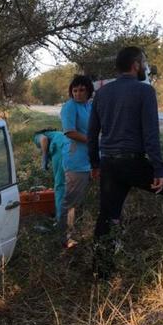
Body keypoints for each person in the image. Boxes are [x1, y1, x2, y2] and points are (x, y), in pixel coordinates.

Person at [88, 46, 163, 277]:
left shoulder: (102, 93)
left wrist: (95, 164)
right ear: (136, 64)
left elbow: (92, 133)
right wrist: (159, 168)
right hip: (133, 164)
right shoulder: (144, 91)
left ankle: (101, 272)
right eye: (145, 63)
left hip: (109, 163)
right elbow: (151, 134)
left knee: (107, 216)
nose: (146, 68)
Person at [59, 75, 94, 248]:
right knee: (71, 201)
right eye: (75, 90)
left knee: (82, 200)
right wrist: (93, 140)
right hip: (76, 160)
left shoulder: (90, 106)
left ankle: (77, 233)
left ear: (89, 91)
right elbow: (70, 132)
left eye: (82, 90)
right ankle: (64, 238)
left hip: (91, 160)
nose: (78, 93)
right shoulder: (69, 107)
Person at [32, 129, 69, 227]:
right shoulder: (55, 133)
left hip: (60, 149)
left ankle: (61, 221)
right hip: (72, 148)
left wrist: (44, 157)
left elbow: (43, 140)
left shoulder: (37, 135)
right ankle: (68, 216)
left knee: (60, 186)